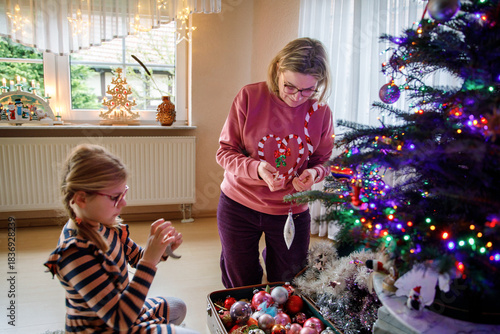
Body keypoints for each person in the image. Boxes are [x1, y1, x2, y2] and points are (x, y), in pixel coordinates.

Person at [216, 37, 335, 288]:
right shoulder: (250, 96)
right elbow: (225, 153)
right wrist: (256, 168)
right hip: (238, 205)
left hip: (291, 211)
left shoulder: (321, 112)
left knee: (288, 283)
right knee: (241, 282)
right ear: (278, 68)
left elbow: (324, 161)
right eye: (289, 86)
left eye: (308, 90)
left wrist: (313, 174)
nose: (297, 97)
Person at [44, 144, 199, 334]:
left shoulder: (105, 224)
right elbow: (120, 320)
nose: (124, 202)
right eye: (115, 197)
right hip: (111, 326)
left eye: (123, 193)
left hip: (126, 312)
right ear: (81, 199)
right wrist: (149, 261)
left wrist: (162, 249)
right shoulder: (75, 252)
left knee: (177, 307)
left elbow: (136, 258)